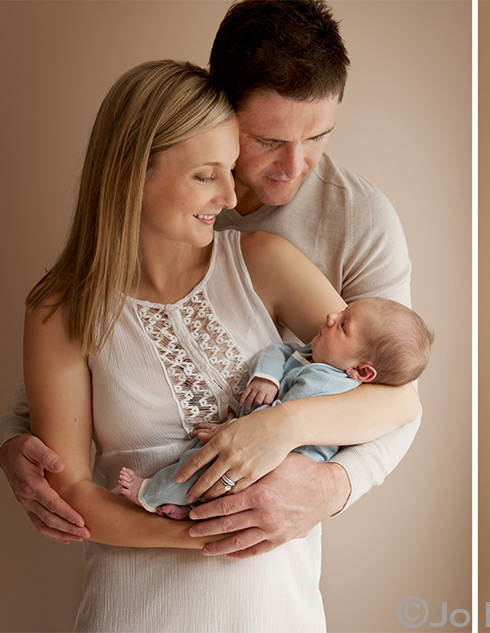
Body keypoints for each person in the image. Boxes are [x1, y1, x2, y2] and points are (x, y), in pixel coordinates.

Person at [1, 0, 420, 560]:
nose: (295, 167)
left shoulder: (351, 223)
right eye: (268, 141)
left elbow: (396, 389)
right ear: (220, 107)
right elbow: (71, 383)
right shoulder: (150, 216)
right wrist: (13, 441)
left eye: (319, 136)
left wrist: (309, 465)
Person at [117, 297, 434, 520]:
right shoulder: (315, 354)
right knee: (218, 473)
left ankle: (149, 492)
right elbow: (280, 350)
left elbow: (270, 428)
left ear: (361, 372)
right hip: (259, 453)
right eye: (341, 311)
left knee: (199, 463)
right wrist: (266, 377)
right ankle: (190, 511)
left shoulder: (328, 385)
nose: (329, 317)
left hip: (277, 464)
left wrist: (231, 430)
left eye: (343, 325)